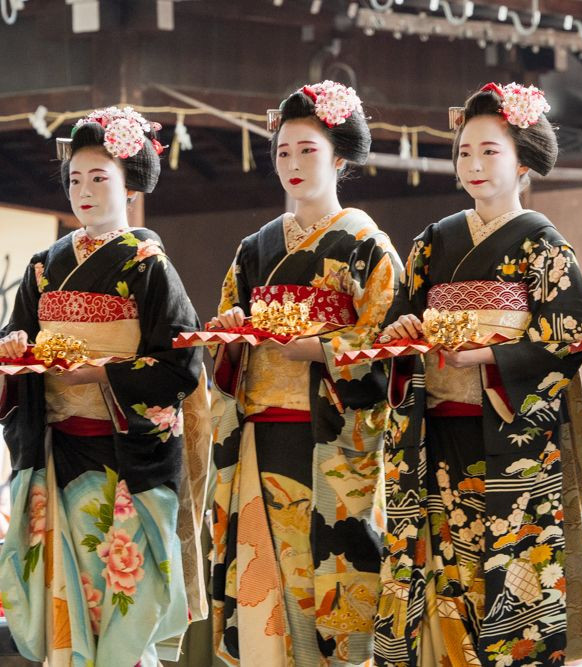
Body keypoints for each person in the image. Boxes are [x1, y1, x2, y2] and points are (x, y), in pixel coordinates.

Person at [374, 82, 582, 666]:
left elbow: (569, 337)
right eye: (464, 152)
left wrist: (489, 358)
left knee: (508, 577)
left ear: (523, 161)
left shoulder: (545, 245)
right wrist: (403, 332)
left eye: (490, 151)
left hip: (508, 437)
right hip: (435, 438)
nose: (473, 164)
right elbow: (400, 321)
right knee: (441, 573)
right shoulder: (432, 242)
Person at [0, 107, 209, 667]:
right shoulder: (43, 267)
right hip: (57, 453)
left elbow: (180, 362)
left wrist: (98, 372)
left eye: (99, 178)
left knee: (122, 608)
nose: (84, 192)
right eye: (75, 180)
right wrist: (15, 347)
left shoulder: (148, 265)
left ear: (130, 185)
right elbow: (16, 340)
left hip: (125, 457)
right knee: (66, 607)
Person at [209, 81, 401, 666]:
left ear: (339, 156)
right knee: (262, 580)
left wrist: (320, 350)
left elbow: (390, 345)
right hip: (258, 439)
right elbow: (227, 337)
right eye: (283, 152)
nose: (292, 163)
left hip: (331, 441)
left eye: (307, 150)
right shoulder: (254, 249)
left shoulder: (367, 244)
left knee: (330, 582)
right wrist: (233, 332)